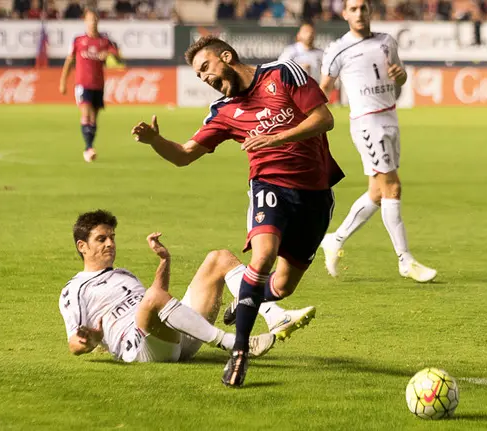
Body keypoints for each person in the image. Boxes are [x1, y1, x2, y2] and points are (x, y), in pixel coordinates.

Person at [130, 36, 344, 387]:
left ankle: (247, 297)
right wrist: (156, 142)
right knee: (262, 257)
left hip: (315, 194)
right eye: (198, 76)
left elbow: (324, 119)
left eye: (206, 68)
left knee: (283, 286)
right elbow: (184, 155)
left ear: (226, 57)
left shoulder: (283, 74)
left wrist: (275, 138)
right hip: (269, 187)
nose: (205, 78)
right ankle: (240, 352)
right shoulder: (224, 112)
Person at [319, 0, 437, 283]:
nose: (359, 13)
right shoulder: (338, 49)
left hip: (390, 118)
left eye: (363, 7)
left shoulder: (386, 41)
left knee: (377, 190)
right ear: (345, 14)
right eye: (354, 9)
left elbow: (400, 78)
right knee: (392, 186)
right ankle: (405, 260)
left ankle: (335, 239)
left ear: (370, 11)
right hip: (367, 123)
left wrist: (400, 76)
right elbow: (323, 89)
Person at [59, 210, 276, 363]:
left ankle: (270, 312)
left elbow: (160, 298)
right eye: (101, 239)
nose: (110, 243)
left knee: (219, 258)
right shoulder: (75, 289)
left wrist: (164, 261)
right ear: (82, 246)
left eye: (112, 237)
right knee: (152, 296)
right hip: (140, 348)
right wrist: (92, 340)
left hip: (171, 336)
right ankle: (236, 343)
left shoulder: (124, 274)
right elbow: (73, 344)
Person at [59, 10, 120, 163]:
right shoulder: (78, 41)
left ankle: (89, 146)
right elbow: (69, 61)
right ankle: (88, 148)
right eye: (89, 20)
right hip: (82, 84)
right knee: (86, 114)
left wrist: (108, 55)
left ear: (98, 21)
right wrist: (63, 81)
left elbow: (118, 57)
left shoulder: (105, 42)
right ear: (85, 21)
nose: (92, 22)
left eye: (94, 19)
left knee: (94, 118)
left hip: (98, 85)